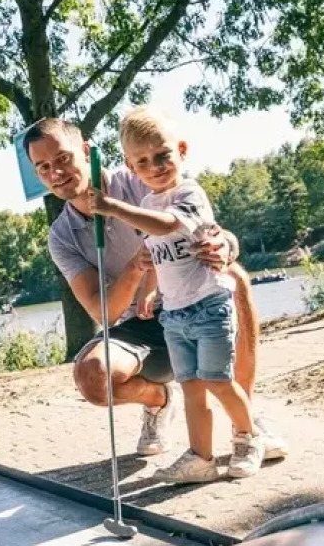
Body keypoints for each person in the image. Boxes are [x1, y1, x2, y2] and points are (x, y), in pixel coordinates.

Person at [23, 116, 286, 464]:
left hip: (196, 302)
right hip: (142, 325)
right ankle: (158, 401)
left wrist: (226, 244)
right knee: (92, 377)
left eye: (62, 159)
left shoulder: (139, 175)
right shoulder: (61, 236)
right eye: (44, 168)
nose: (56, 172)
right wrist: (136, 268)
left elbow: (209, 229)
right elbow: (104, 313)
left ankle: (247, 420)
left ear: (86, 151)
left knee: (234, 277)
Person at [90, 108, 268, 482]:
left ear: (181, 150)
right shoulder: (148, 203)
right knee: (190, 388)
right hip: (175, 314)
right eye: (143, 162)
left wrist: (112, 208)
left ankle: (249, 437)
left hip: (208, 305)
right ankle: (201, 457)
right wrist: (150, 287)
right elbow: (159, 249)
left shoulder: (188, 193)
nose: (154, 167)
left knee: (218, 380)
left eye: (162, 156)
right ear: (130, 167)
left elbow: (169, 225)